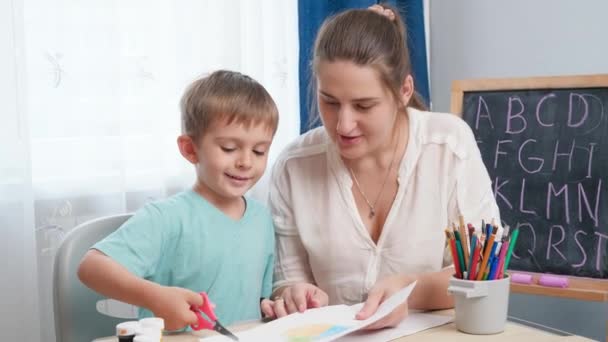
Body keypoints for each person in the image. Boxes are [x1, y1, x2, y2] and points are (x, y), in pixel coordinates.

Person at [261, 4, 500, 329]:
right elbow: (287, 282)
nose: (343, 124)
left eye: (364, 105)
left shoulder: (448, 145)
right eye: (329, 101)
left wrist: (410, 291)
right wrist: (293, 294)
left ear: (404, 91)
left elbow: (483, 271)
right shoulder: (294, 166)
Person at [78, 70, 278, 330]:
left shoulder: (262, 219)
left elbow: (261, 300)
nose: (246, 162)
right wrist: (154, 296)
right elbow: (91, 267)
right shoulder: (166, 218)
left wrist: (275, 303)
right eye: (229, 148)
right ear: (190, 149)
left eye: (259, 151)